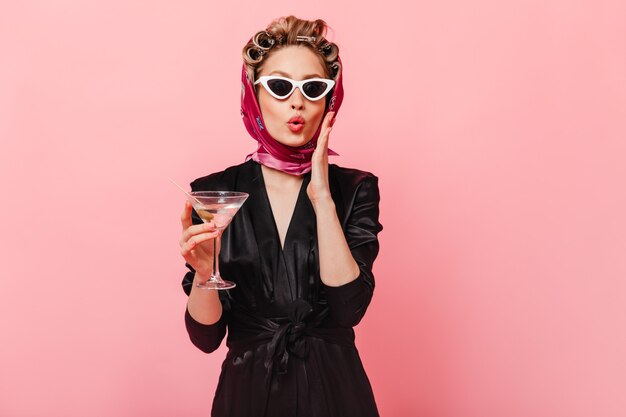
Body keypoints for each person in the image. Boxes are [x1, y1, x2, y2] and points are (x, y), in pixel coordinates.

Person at [179, 16, 383, 417]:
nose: (297, 102)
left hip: (335, 393)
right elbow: (206, 338)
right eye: (279, 86)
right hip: (249, 392)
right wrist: (204, 277)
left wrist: (322, 195)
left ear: (330, 99)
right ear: (253, 95)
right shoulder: (215, 192)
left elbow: (348, 309)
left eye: (313, 88)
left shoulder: (356, 188)